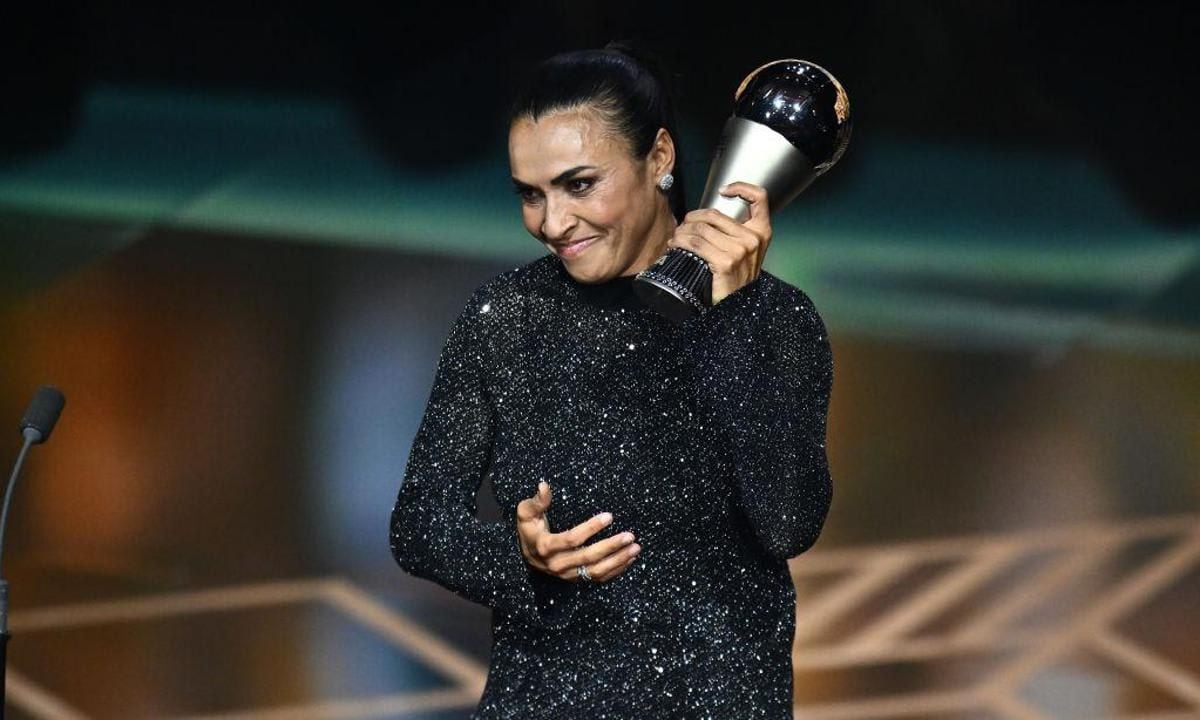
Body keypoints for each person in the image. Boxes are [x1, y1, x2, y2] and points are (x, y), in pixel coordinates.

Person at [389, 44, 833, 719]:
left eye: (578, 183)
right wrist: (519, 555)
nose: (553, 223)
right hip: (544, 697)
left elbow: (789, 523)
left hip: (718, 700)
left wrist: (727, 319)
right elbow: (419, 525)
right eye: (530, 195)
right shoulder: (506, 319)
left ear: (659, 158)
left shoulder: (774, 320)